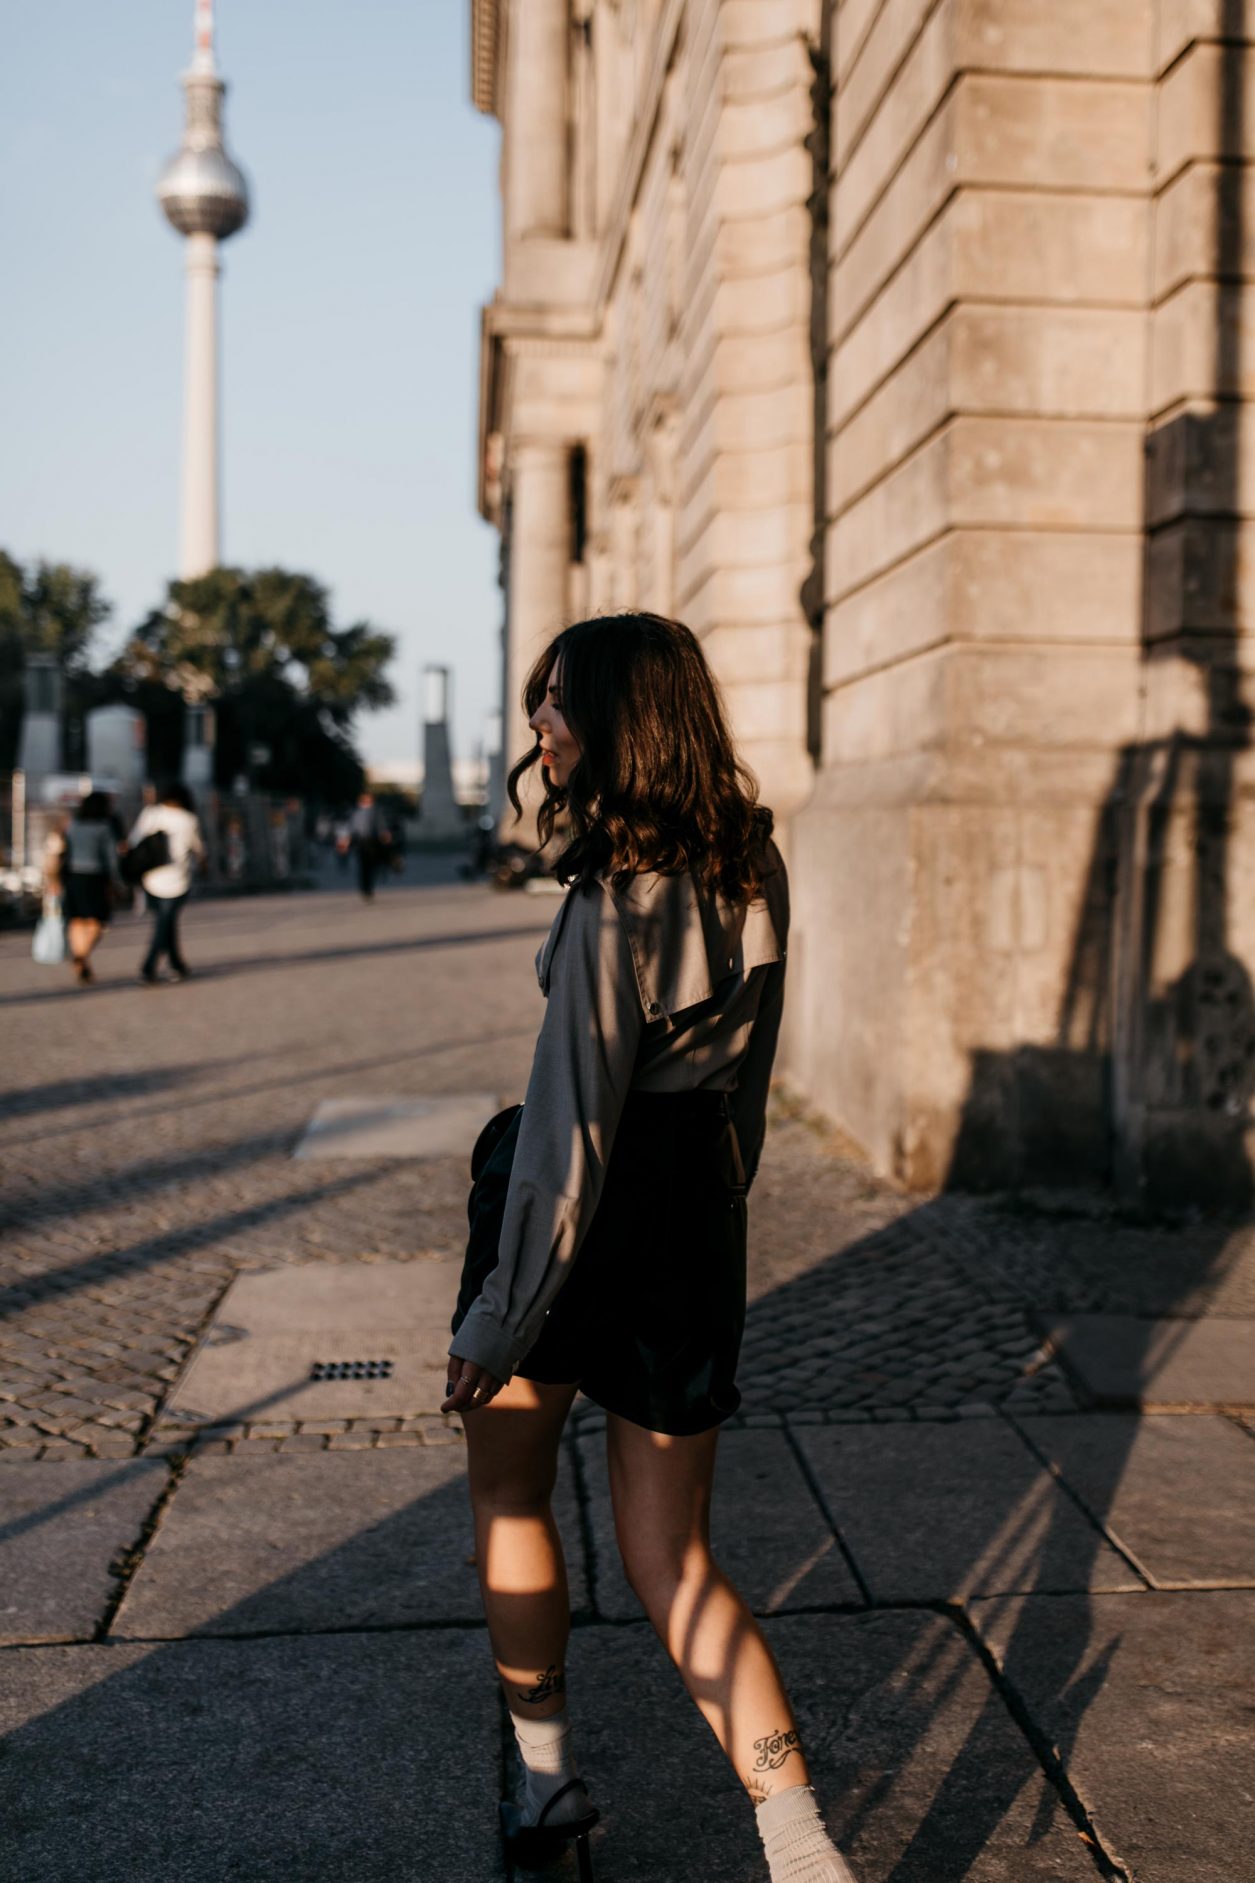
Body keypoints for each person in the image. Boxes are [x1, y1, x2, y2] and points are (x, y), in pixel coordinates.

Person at [445, 613, 856, 1883]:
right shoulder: (753, 860)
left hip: (565, 1214)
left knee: (510, 1490)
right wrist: (717, 1205)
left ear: (627, 713)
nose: (541, 723)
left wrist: (497, 1322)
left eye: (561, 701)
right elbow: (749, 1088)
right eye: (540, 700)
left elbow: (567, 1136)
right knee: (674, 1554)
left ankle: (550, 1780)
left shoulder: (607, 901)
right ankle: (800, 1845)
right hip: (686, 1214)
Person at [127, 781, 205, 985]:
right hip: (177, 878)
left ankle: (177, 965)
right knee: (165, 923)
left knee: (165, 922)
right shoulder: (188, 820)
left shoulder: (151, 814)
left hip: (151, 877)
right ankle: (148, 968)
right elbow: (198, 848)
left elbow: (133, 841)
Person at [60, 790, 122, 985]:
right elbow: (111, 857)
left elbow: (65, 849)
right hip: (95, 877)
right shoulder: (104, 827)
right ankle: (82, 956)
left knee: (77, 920)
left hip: (72, 875)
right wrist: (117, 880)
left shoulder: (73, 825)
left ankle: (80, 959)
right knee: (97, 921)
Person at [348, 790, 390, 898]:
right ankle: (364, 888)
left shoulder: (376, 811)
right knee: (363, 866)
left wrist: (384, 834)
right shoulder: (355, 812)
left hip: (373, 842)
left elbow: (382, 825)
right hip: (361, 842)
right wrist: (346, 840)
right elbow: (351, 828)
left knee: (373, 866)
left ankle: (369, 886)